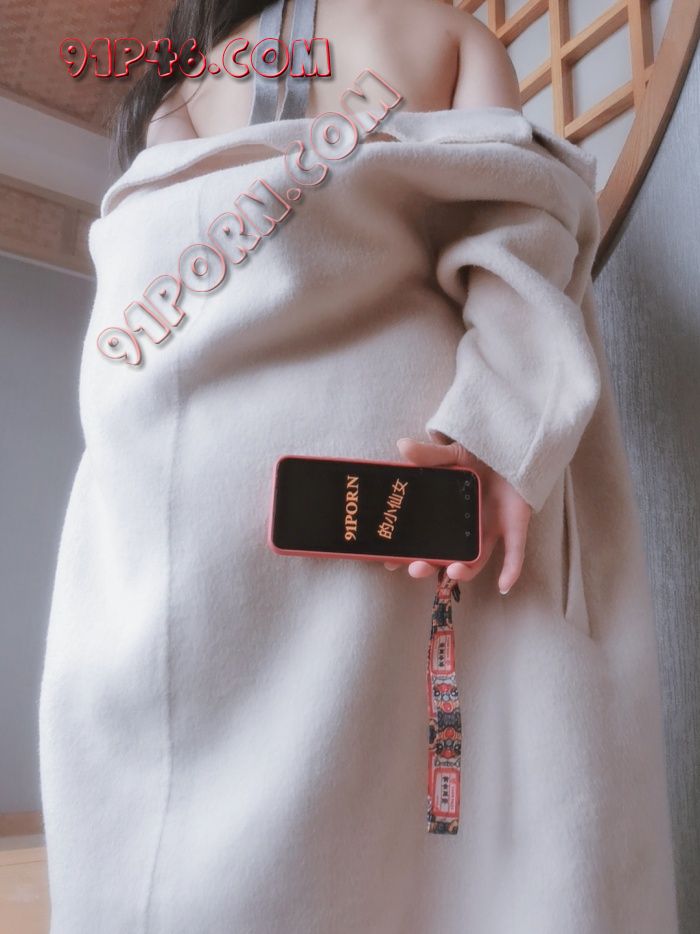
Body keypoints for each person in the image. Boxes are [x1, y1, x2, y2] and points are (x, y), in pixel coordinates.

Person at [39, 0, 679, 931]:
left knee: (194, 807)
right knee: (437, 793)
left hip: (192, 479)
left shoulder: (179, 88)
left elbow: (147, 296)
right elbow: (519, 230)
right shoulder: (445, 34)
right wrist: (500, 434)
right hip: (402, 468)